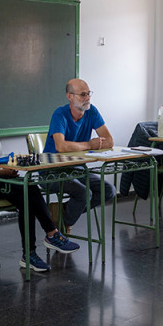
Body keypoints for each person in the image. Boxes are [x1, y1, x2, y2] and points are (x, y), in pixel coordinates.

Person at [0, 85, 80, 273]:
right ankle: (49, 236)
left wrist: (9, 166)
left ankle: (32, 252)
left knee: (28, 190)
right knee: (24, 192)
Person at [43, 78, 117, 231]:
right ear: (70, 96)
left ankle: (63, 214)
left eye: (89, 94)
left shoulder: (92, 111)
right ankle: (65, 224)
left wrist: (87, 145)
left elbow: (109, 141)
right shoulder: (60, 114)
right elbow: (61, 146)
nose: (88, 98)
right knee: (84, 193)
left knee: (109, 191)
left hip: (76, 169)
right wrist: (90, 145)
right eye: (83, 95)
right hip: (51, 171)